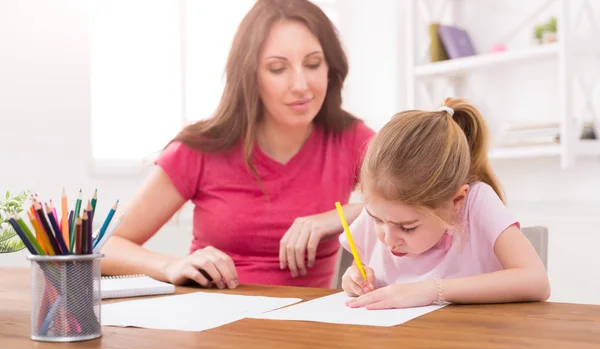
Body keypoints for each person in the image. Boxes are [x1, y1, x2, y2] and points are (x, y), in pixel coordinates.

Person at [101, 0, 375, 289]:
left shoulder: (351, 139)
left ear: (330, 67)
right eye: (278, 68)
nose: (300, 85)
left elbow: (422, 205)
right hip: (210, 321)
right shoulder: (200, 149)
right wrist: (171, 265)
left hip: (304, 329)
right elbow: (105, 247)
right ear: (250, 75)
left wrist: (340, 216)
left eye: (313, 64)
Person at [341, 98, 551, 309]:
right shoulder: (383, 210)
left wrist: (432, 290)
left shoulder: (476, 203)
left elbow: (536, 282)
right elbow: (362, 266)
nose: (388, 239)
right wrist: (355, 277)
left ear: (456, 201)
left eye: (407, 227)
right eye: (377, 220)